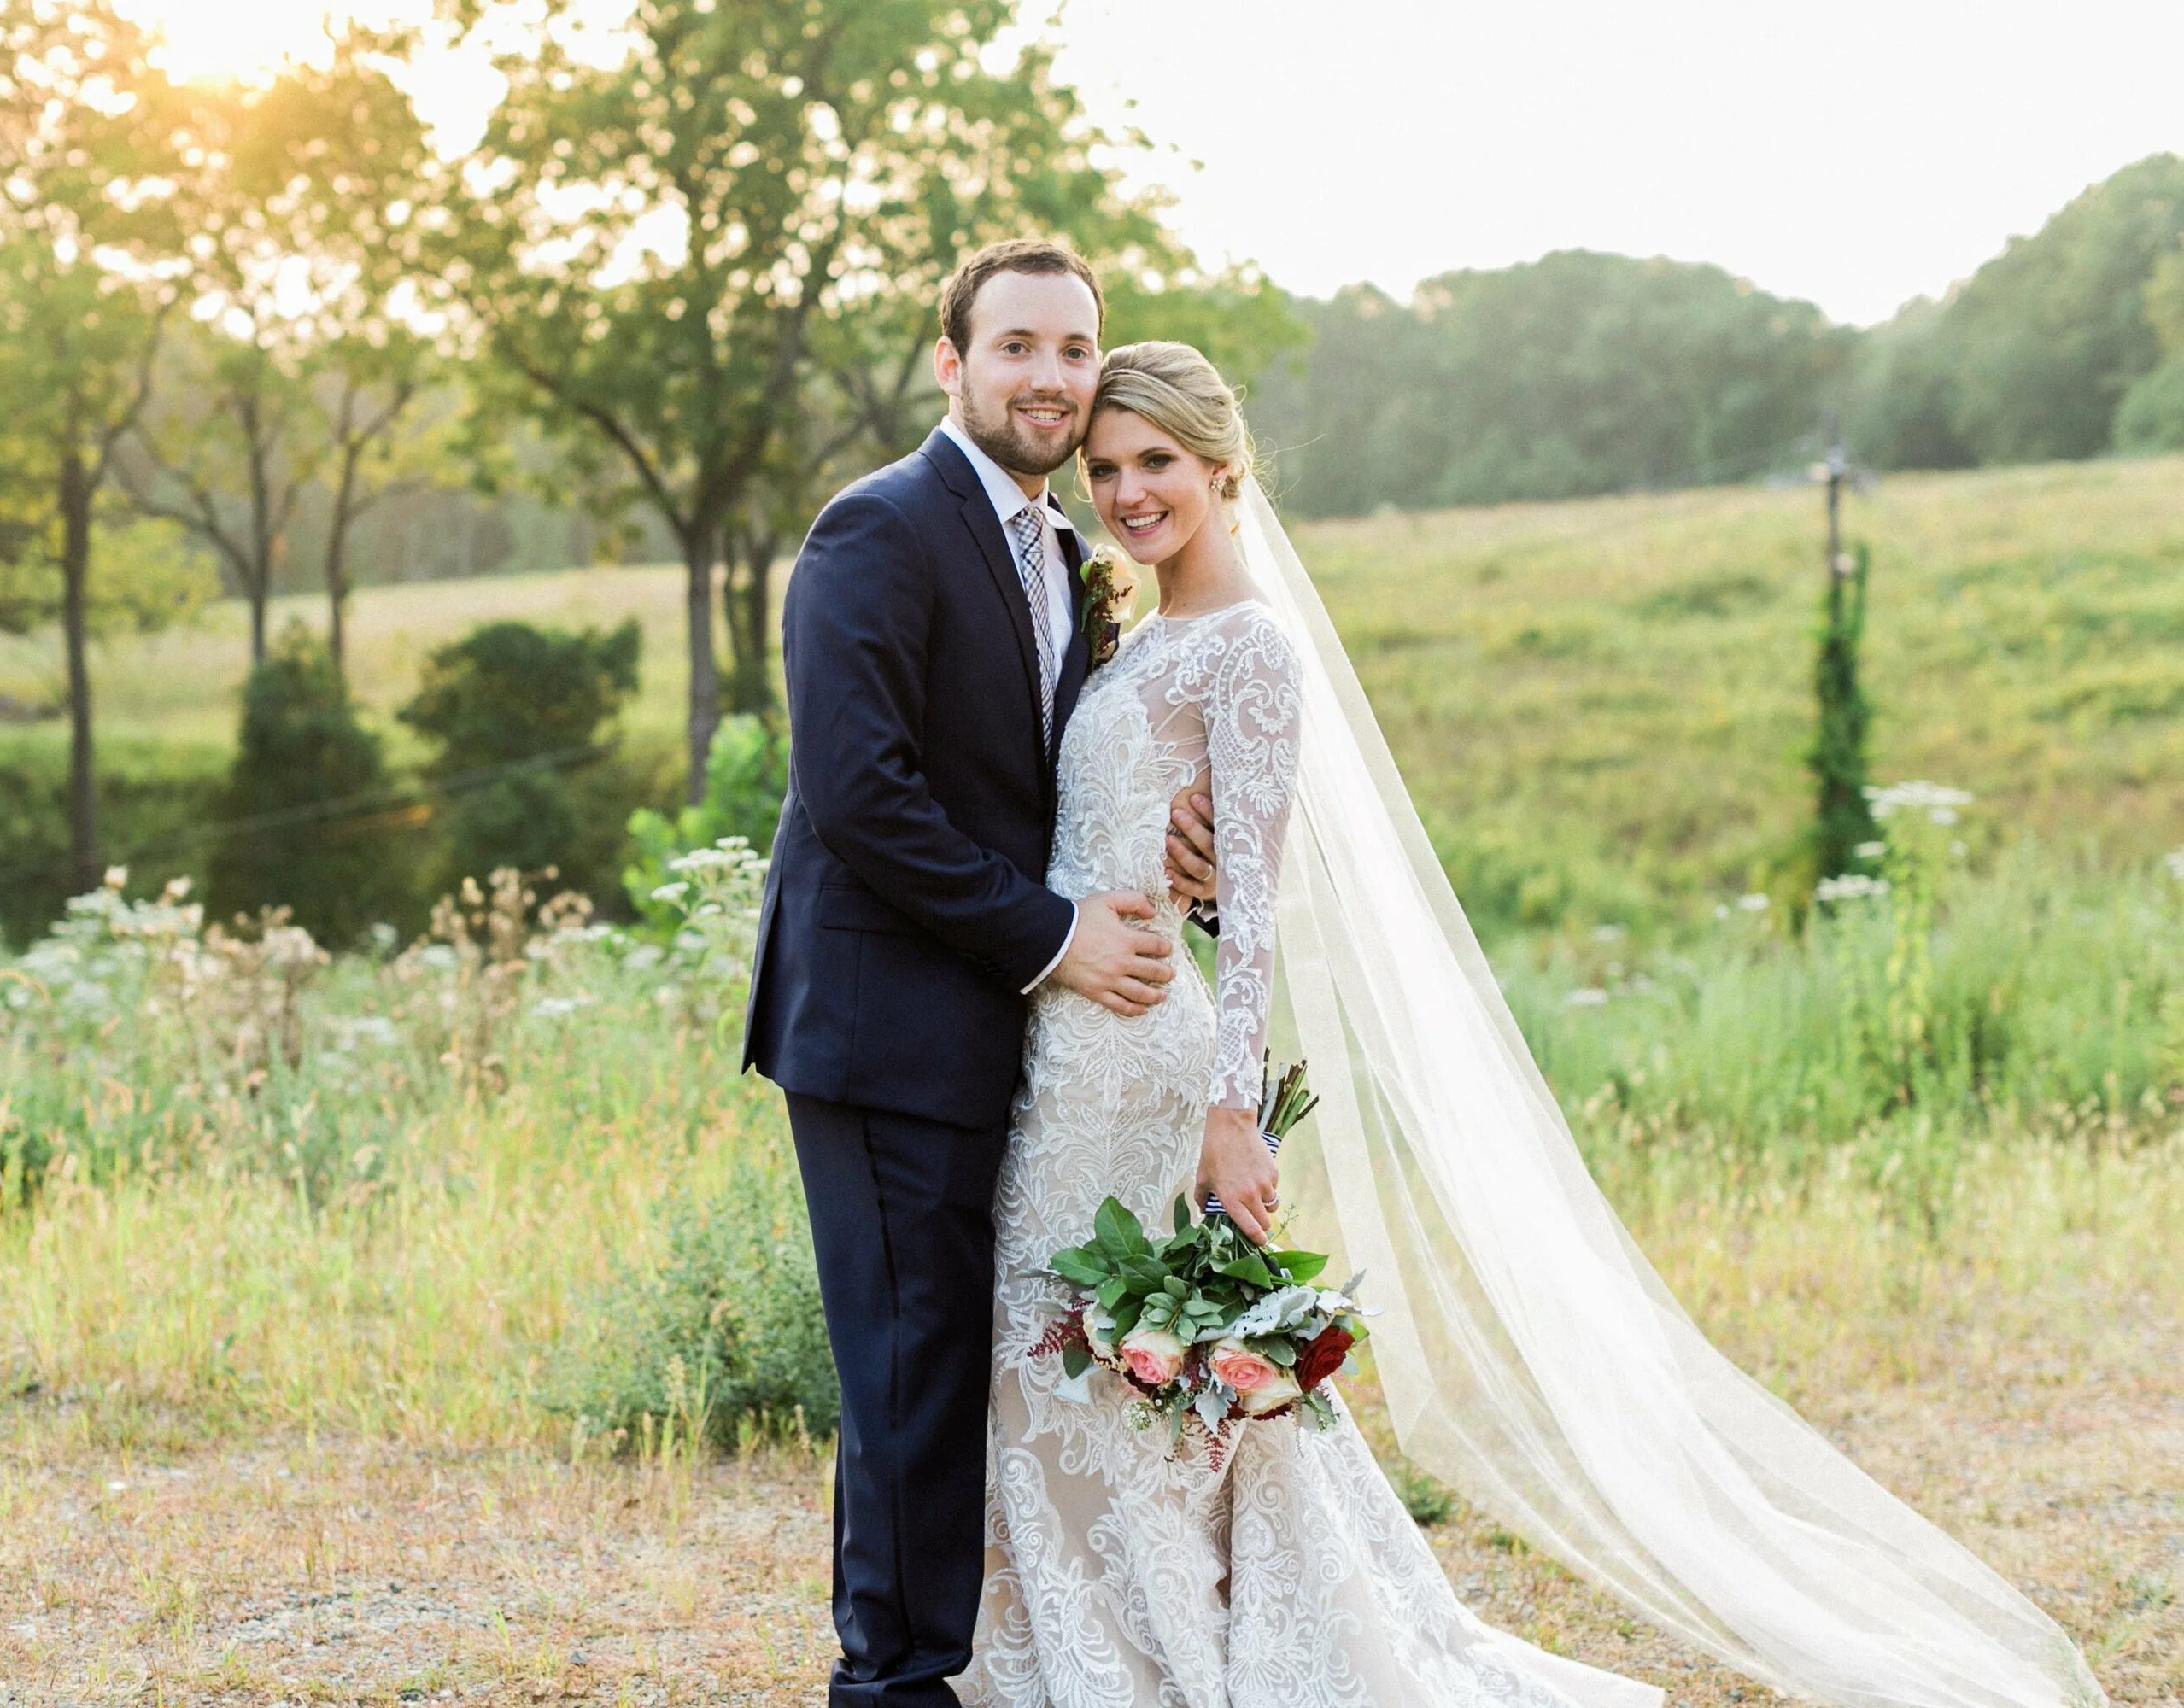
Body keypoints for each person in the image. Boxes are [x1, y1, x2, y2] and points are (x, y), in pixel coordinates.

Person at [962, 339, 2107, 1708]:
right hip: (1065, 1041)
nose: (1129, 492)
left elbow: (1259, 910)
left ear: (1223, 467)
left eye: (1157, 463)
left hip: (1145, 1069)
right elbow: (1132, 842)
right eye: (1106, 469)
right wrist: (1165, 861)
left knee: (1098, 1362)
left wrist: (1228, 1110)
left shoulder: (1254, 647)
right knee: (1063, 1362)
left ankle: (1155, 1662)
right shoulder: (1138, 637)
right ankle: (1095, 1647)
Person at [744, 239, 1222, 1707]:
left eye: (1075, 351)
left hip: (1001, 1028)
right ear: (952, 361)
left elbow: (1044, 782)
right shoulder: (874, 530)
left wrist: (1163, 842)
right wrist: (1057, 937)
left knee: (967, 1359)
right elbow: (860, 792)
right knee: (913, 1370)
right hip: (883, 1025)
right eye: (1018, 347)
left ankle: (955, 1664)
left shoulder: (1061, 554)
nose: (1053, 378)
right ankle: (889, 1687)